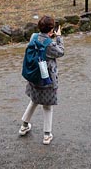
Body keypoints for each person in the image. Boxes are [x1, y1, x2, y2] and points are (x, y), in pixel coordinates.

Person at [19, 16, 65, 145]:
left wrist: (50, 35)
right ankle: (46, 135)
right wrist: (59, 37)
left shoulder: (33, 37)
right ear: (51, 30)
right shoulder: (50, 44)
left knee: (34, 100)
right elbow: (61, 52)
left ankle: (24, 126)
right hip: (47, 80)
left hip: (34, 77)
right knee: (47, 107)